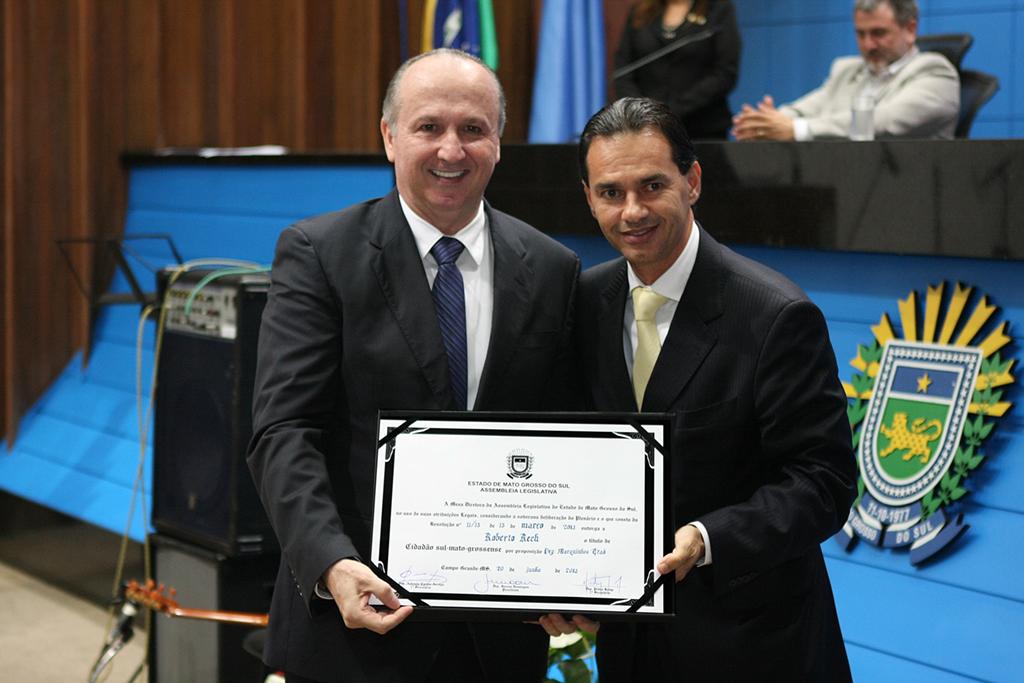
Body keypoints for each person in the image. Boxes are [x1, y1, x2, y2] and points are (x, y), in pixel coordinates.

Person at [247, 48, 580, 683]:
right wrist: (331, 563)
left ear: (499, 143)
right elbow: (283, 431)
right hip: (353, 624)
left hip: (498, 639)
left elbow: (564, 436)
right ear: (389, 136)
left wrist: (573, 571)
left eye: (473, 129)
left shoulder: (552, 268)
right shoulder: (319, 254)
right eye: (429, 126)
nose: (451, 150)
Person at [539, 97, 858, 680]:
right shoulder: (583, 303)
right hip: (632, 649)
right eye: (610, 192)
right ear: (588, 197)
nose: (632, 211)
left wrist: (708, 537)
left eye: (652, 185)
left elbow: (824, 483)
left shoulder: (775, 314)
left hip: (755, 648)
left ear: (692, 182)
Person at [732, 0, 959, 141]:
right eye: (861, 34)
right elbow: (807, 108)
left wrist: (798, 129)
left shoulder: (936, 73)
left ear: (910, 29)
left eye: (879, 33)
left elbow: (883, 121)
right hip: (843, 182)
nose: (868, 45)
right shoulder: (847, 70)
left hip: (908, 188)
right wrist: (764, 124)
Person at [614, 0, 740, 140]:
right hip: (644, 128)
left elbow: (725, 72)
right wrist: (641, 112)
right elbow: (623, 72)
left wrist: (669, 112)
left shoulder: (717, 9)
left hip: (701, 128)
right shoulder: (639, 12)